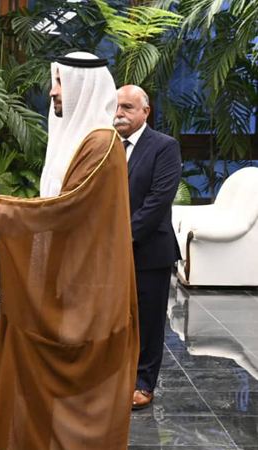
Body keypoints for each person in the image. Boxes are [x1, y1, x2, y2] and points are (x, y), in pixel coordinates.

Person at [0, 52, 139, 450]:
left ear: (83, 86)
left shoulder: (101, 142)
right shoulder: (81, 139)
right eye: (54, 81)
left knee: (83, 383)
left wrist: (0, 209)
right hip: (68, 277)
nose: (53, 91)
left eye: (60, 82)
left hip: (89, 285)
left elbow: (67, 206)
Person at [114, 84, 182, 410]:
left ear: (146, 111)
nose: (119, 113)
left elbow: (158, 201)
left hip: (149, 250)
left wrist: (122, 237)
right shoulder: (106, 145)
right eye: (116, 107)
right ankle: (114, 377)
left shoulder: (164, 147)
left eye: (127, 107)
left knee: (148, 321)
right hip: (107, 250)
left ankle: (143, 383)